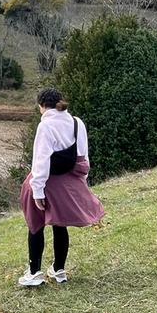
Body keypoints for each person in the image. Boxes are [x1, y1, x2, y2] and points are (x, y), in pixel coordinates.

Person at [18, 88, 105, 286]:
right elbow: (83, 156)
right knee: (60, 224)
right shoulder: (76, 122)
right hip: (67, 181)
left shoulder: (45, 126)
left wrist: (37, 191)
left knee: (35, 225)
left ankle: (34, 273)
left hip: (48, 182)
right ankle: (58, 271)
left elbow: (40, 162)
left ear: (42, 106)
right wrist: (80, 181)